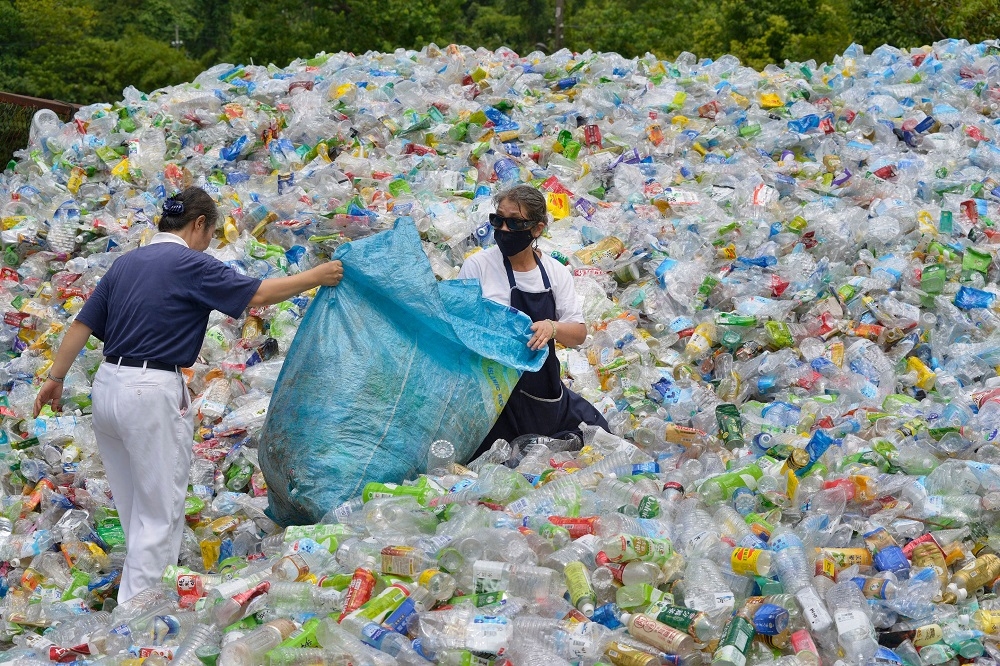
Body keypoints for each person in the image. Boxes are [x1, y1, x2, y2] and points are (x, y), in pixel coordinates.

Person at [33, 186, 344, 602]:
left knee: (134, 506)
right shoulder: (190, 263)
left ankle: (141, 590)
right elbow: (259, 295)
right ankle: (136, 618)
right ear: (199, 224)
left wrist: (55, 378)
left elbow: (80, 326)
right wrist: (317, 276)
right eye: (210, 234)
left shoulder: (126, 263)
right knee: (160, 511)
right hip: (149, 391)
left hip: (106, 388)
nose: (208, 243)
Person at [458, 185, 609, 458]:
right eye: (498, 220)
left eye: (515, 222)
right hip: (492, 390)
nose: (503, 229)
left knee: (598, 435)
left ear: (536, 229)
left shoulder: (554, 273)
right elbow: (459, 329)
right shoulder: (478, 266)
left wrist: (553, 327)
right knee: (494, 458)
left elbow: (578, 334)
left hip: (539, 390)